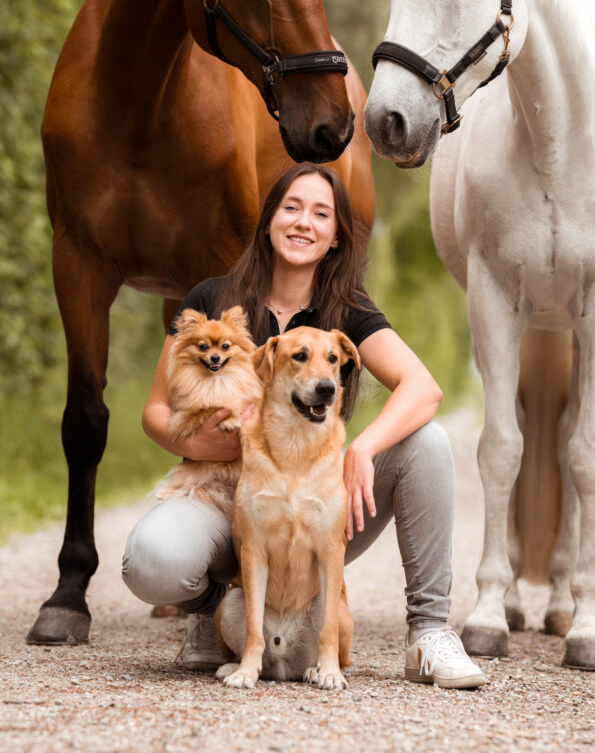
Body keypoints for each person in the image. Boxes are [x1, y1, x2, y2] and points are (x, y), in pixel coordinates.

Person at [122, 164, 486, 689]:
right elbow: (155, 412)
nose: (303, 223)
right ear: (269, 218)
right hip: (227, 503)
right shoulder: (213, 299)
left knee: (426, 442)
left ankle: (428, 632)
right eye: (291, 207)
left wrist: (361, 449)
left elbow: (423, 388)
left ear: (336, 235)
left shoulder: (349, 310)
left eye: (321, 214)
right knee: (150, 562)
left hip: (317, 505)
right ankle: (213, 607)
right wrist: (203, 442)